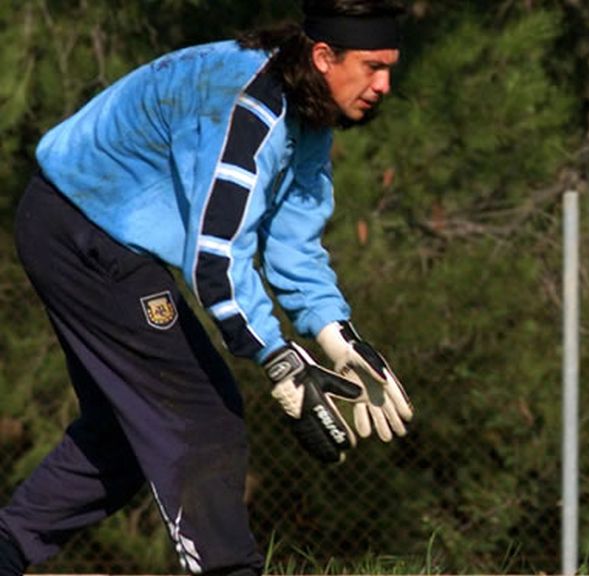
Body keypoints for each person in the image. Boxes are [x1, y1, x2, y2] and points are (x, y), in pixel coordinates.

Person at [0, 1, 413, 575]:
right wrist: (279, 361)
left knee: (121, 433)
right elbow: (216, 257)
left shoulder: (307, 109)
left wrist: (336, 337)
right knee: (201, 415)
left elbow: (292, 244)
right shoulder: (253, 111)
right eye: (373, 67)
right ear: (324, 56)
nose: (384, 85)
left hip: (84, 225)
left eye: (390, 68)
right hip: (82, 229)